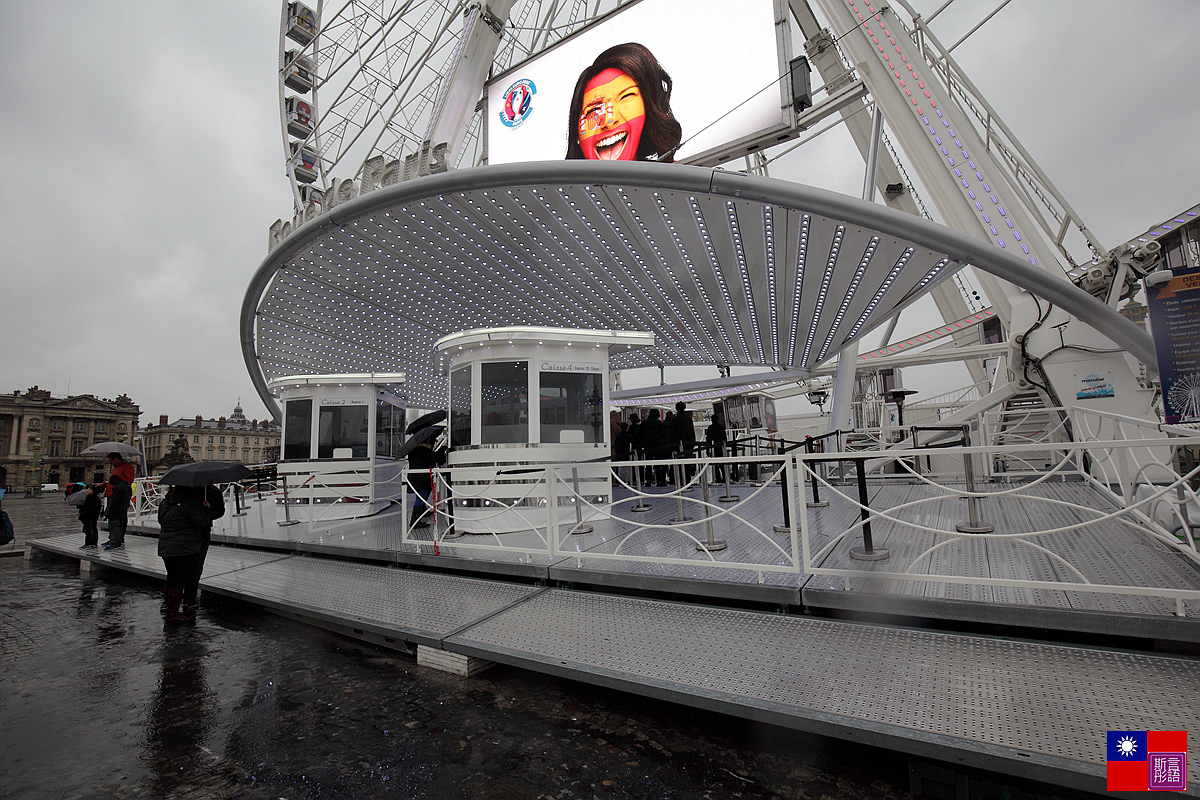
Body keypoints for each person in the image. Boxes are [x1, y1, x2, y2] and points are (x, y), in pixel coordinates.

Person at [565, 42, 682, 162]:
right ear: (577, 134)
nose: (609, 122)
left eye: (625, 96)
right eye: (593, 110)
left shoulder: (679, 177)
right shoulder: (551, 179)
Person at [156, 485, 211, 623]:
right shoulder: (189, 503)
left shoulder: (165, 502)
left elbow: (160, 520)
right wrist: (206, 509)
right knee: (179, 578)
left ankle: (168, 606)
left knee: (171, 575)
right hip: (183, 547)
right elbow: (203, 522)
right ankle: (173, 613)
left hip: (165, 545)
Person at [182, 484, 225, 611]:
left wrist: (208, 510)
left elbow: (219, 511)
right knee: (185, 566)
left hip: (201, 532)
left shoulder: (211, 491)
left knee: (195, 565)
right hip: (188, 532)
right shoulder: (184, 490)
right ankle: (184, 598)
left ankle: (188, 596)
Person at [407, 436, 447, 528]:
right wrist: (444, 448)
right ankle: (415, 521)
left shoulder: (415, 450)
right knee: (421, 497)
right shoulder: (422, 450)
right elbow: (434, 457)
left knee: (422, 495)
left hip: (417, 478)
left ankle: (421, 512)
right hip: (421, 478)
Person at [636, 408, 667, 486]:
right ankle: (659, 480)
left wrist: (642, 442)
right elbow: (664, 435)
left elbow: (637, 434)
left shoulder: (644, 423)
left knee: (648, 464)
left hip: (647, 446)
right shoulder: (659, 423)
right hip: (658, 446)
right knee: (658, 464)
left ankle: (648, 480)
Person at [670, 401, 698, 484]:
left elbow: (672, 433)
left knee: (678, 463)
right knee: (687, 463)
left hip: (677, 444)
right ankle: (687, 480)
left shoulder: (674, 419)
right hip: (687, 443)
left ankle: (679, 480)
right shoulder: (688, 419)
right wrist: (692, 442)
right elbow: (691, 431)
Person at [103, 473, 132, 550]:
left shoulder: (118, 488)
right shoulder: (128, 487)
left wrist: (107, 513)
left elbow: (113, 502)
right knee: (120, 526)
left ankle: (114, 543)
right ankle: (119, 540)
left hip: (115, 512)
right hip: (123, 511)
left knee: (114, 526)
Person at [79, 484, 103, 549]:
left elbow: (92, 509)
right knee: (87, 530)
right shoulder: (87, 498)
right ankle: (87, 543)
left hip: (92, 517)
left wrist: (84, 512)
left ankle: (93, 543)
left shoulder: (95, 499)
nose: (87, 491)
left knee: (92, 530)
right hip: (86, 516)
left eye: (89, 490)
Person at [705, 414, 727, 483]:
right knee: (722, 464)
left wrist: (707, 450)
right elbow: (725, 439)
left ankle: (718, 478)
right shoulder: (721, 428)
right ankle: (725, 477)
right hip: (721, 448)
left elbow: (708, 440)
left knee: (715, 465)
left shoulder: (710, 428)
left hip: (713, 448)